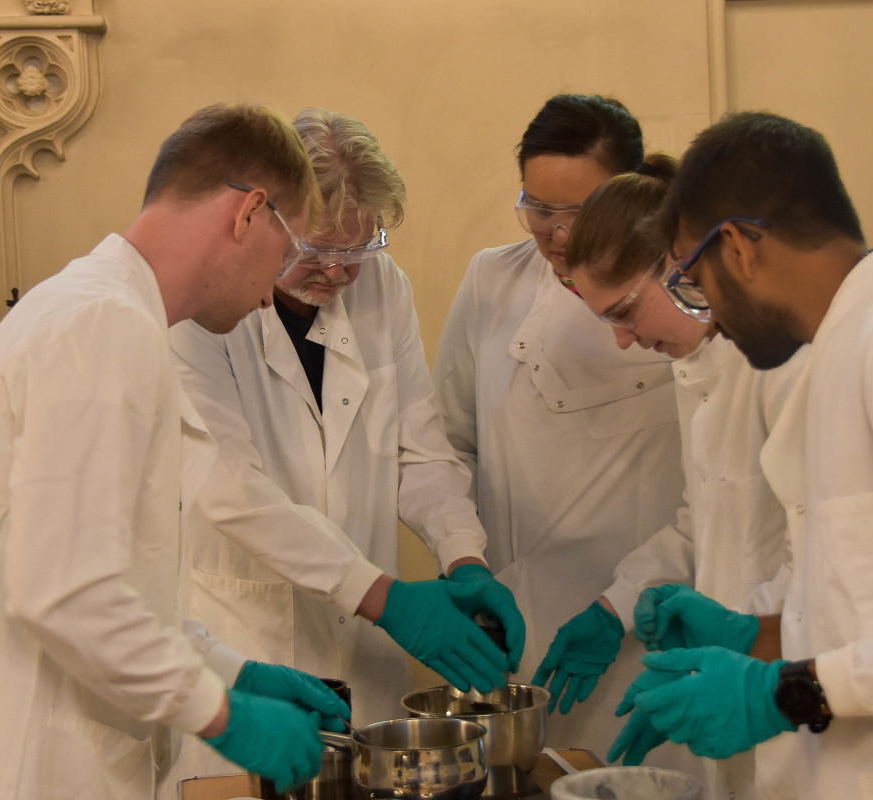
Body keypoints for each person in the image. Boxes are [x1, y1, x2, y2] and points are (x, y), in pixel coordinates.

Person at [0, 103, 353, 800]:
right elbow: (67, 593)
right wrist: (222, 714)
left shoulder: (91, 310)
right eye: (288, 252)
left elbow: (111, 579)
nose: (272, 291)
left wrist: (232, 671)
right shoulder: (103, 325)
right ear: (249, 213)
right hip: (20, 767)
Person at [618, 111, 873, 799]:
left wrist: (789, 690)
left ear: (742, 247)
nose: (707, 309)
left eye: (694, 278)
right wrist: (759, 633)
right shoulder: (831, 357)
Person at [167, 108, 524, 736]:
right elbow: (229, 488)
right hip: (249, 627)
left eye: (358, 248)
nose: (338, 271)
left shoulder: (381, 287)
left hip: (361, 649)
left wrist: (463, 556)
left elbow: (419, 447)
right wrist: (382, 595)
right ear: (272, 223)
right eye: (317, 250)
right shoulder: (197, 307)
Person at [432, 93, 687, 763]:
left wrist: (623, 606)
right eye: (539, 209)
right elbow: (445, 443)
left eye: (580, 211)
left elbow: (713, 495)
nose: (558, 235)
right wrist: (463, 560)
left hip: (645, 622)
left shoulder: (681, 301)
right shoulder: (493, 279)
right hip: (517, 624)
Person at [538, 167, 801, 800]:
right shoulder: (696, 366)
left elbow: (828, 554)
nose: (625, 341)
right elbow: (701, 516)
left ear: (678, 265)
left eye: (625, 311)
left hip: (793, 691)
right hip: (742, 687)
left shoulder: (781, 366)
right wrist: (617, 604)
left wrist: (740, 632)